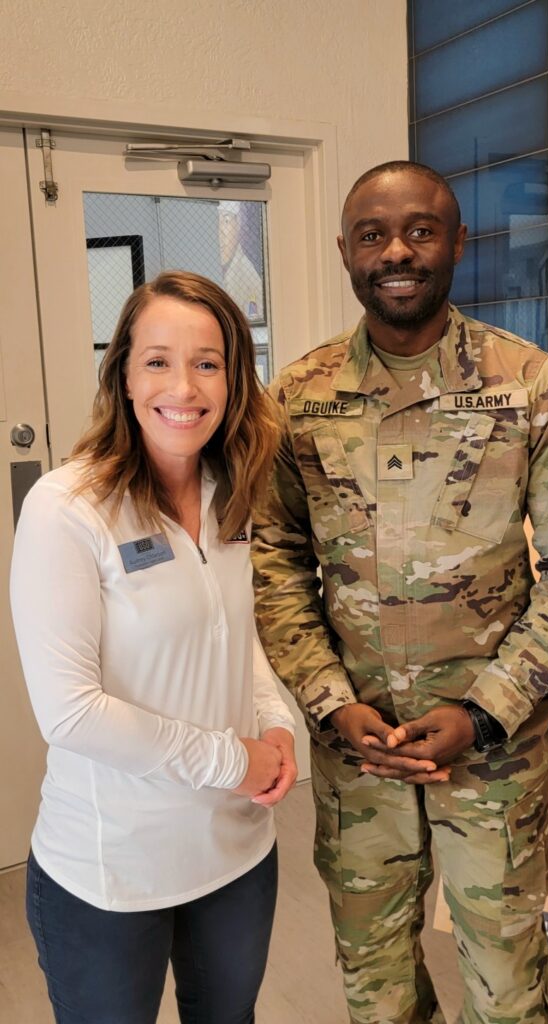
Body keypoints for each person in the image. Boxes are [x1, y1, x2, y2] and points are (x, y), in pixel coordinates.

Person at [252, 161, 548, 1024]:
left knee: (505, 989)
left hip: (494, 761)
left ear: (457, 242)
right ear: (346, 250)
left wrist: (485, 712)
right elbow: (273, 566)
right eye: (373, 234)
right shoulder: (297, 401)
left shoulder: (535, 388)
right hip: (359, 758)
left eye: (421, 230)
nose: (397, 252)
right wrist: (330, 704)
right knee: (373, 986)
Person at [10, 270, 297, 1024]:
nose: (186, 386)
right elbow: (70, 714)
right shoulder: (68, 509)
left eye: (209, 362)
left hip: (236, 854)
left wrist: (275, 725)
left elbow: (241, 641)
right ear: (124, 377)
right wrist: (234, 760)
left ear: (235, 379)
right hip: (112, 873)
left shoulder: (232, 490)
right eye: (159, 360)